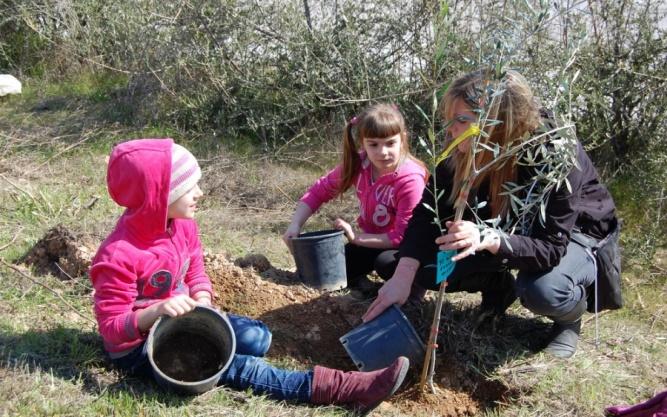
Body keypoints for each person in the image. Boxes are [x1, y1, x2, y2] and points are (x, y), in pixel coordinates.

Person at [89, 138, 409, 412]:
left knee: (258, 338)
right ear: (158, 197)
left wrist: (202, 298)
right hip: (143, 346)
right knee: (244, 367)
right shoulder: (118, 256)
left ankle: (253, 348)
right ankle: (346, 390)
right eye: (189, 187)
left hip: (185, 319)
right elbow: (113, 331)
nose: (199, 192)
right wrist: (156, 311)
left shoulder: (182, 225)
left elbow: (196, 267)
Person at [362, 69, 618, 359]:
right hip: (500, 227)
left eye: (461, 120)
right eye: (450, 119)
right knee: (399, 265)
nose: (451, 130)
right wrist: (404, 275)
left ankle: (568, 320)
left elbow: (550, 248)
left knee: (543, 290)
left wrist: (487, 236)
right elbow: (428, 211)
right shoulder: (461, 144)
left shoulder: (555, 153)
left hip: (575, 234)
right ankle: (497, 285)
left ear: (498, 121)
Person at [283, 103, 428, 291]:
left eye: (390, 143)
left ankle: (412, 293)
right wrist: (295, 225)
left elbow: (402, 236)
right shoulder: (360, 164)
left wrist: (356, 238)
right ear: (363, 143)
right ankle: (365, 286)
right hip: (372, 241)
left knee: (385, 263)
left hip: (408, 249)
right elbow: (319, 191)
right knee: (333, 268)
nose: (382, 152)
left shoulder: (410, 180)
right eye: (373, 144)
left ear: (403, 139)